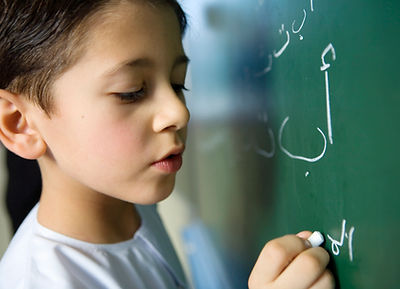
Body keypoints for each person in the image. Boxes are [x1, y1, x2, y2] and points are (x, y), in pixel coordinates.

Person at [0, 0, 334, 288]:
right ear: (20, 124)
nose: (179, 112)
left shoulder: (130, 204)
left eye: (178, 84)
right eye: (131, 91)